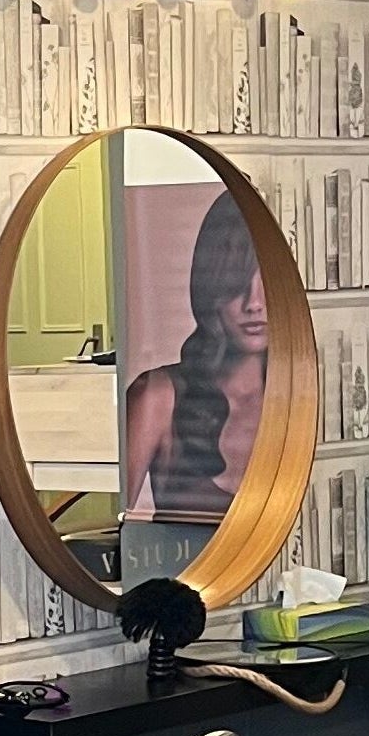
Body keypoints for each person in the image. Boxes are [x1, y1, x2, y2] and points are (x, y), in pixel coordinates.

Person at [123, 197, 268, 524]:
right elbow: (118, 536)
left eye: (267, 284)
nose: (254, 304)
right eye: (236, 284)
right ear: (211, 286)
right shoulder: (157, 397)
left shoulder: (296, 402)